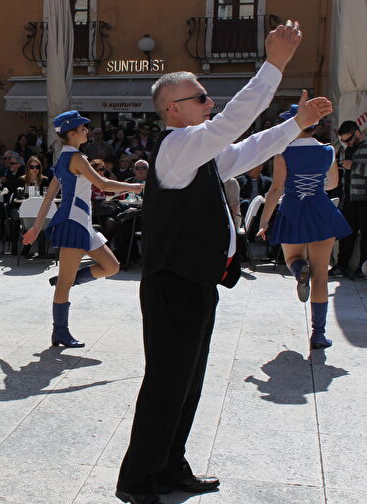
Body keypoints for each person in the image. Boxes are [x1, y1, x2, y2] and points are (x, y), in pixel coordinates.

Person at [114, 21, 333, 504]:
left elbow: (250, 147)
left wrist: (295, 124)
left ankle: (170, 466)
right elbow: (233, 123)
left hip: (194, 282)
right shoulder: (177, 145)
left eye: (208, 97)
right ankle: (137, 479)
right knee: (167, 382)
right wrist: (273, 65)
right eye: (201, 98)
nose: (209, 103)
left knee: (187, 382)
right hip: (172, 284)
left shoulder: (201, 155)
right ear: (174, 109)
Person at [23, 111, 142, 348]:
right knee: (66, 283)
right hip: (72, 222)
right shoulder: (76, 158)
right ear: (72, 133)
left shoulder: (63, 159)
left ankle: (67, 280)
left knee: (111, 266)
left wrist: (37, 227)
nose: (87, 131)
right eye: (82, 128)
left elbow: (49, 196)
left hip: (81, 222)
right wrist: (135, 186)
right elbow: (103, 184)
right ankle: (60, 332)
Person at [258, 105, 350, 349]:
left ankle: (299, 271)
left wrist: (265, 220)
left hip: (292, 210)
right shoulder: (328, 150)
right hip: (321, 210)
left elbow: (276, 189)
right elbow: (332, 184)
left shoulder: (282, 153)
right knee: (322, 274)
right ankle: (318, 334)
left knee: (293, 259)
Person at [329, 120, 367, 279]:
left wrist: (354, 166)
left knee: (366, 236)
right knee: (346, 234)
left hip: (365, 199)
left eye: (348, 139)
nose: (345, 143)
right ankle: (342, 265)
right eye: (342, 141)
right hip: (350, 197)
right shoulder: (346, 150)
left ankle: (362, 269)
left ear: (357, 133)